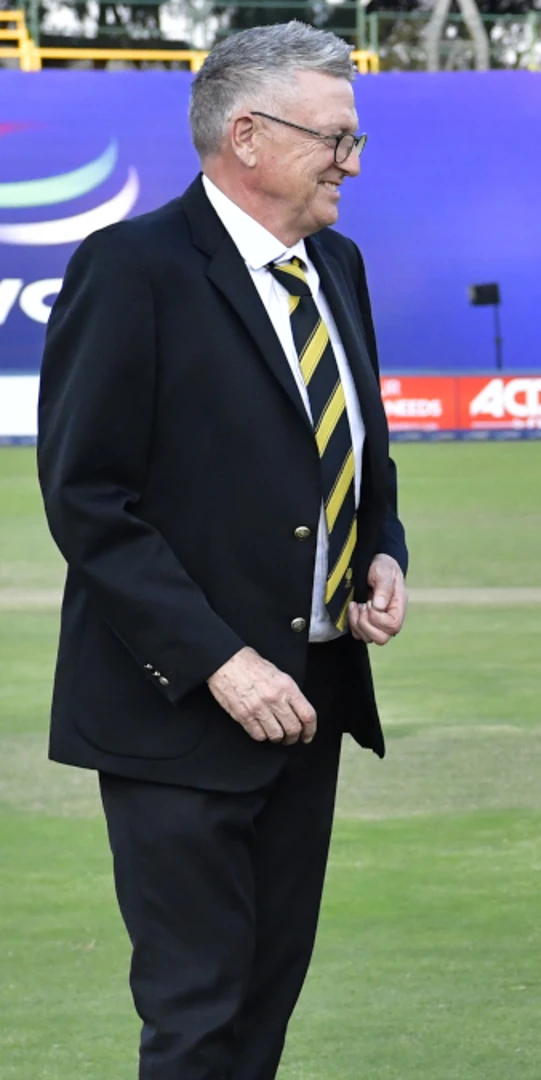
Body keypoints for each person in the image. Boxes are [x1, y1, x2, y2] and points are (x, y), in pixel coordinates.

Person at [36, 23, 407, 1079]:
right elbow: (89, 501)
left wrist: (382, 554)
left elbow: (358, 457)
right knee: (196, 1017)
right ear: (247, 134)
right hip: (179, 717)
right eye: (335, 137)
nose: (350, 161)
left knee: (262, 1007)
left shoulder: (338, 264)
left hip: (315, 704)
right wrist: (219, 661)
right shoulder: (132, 268)